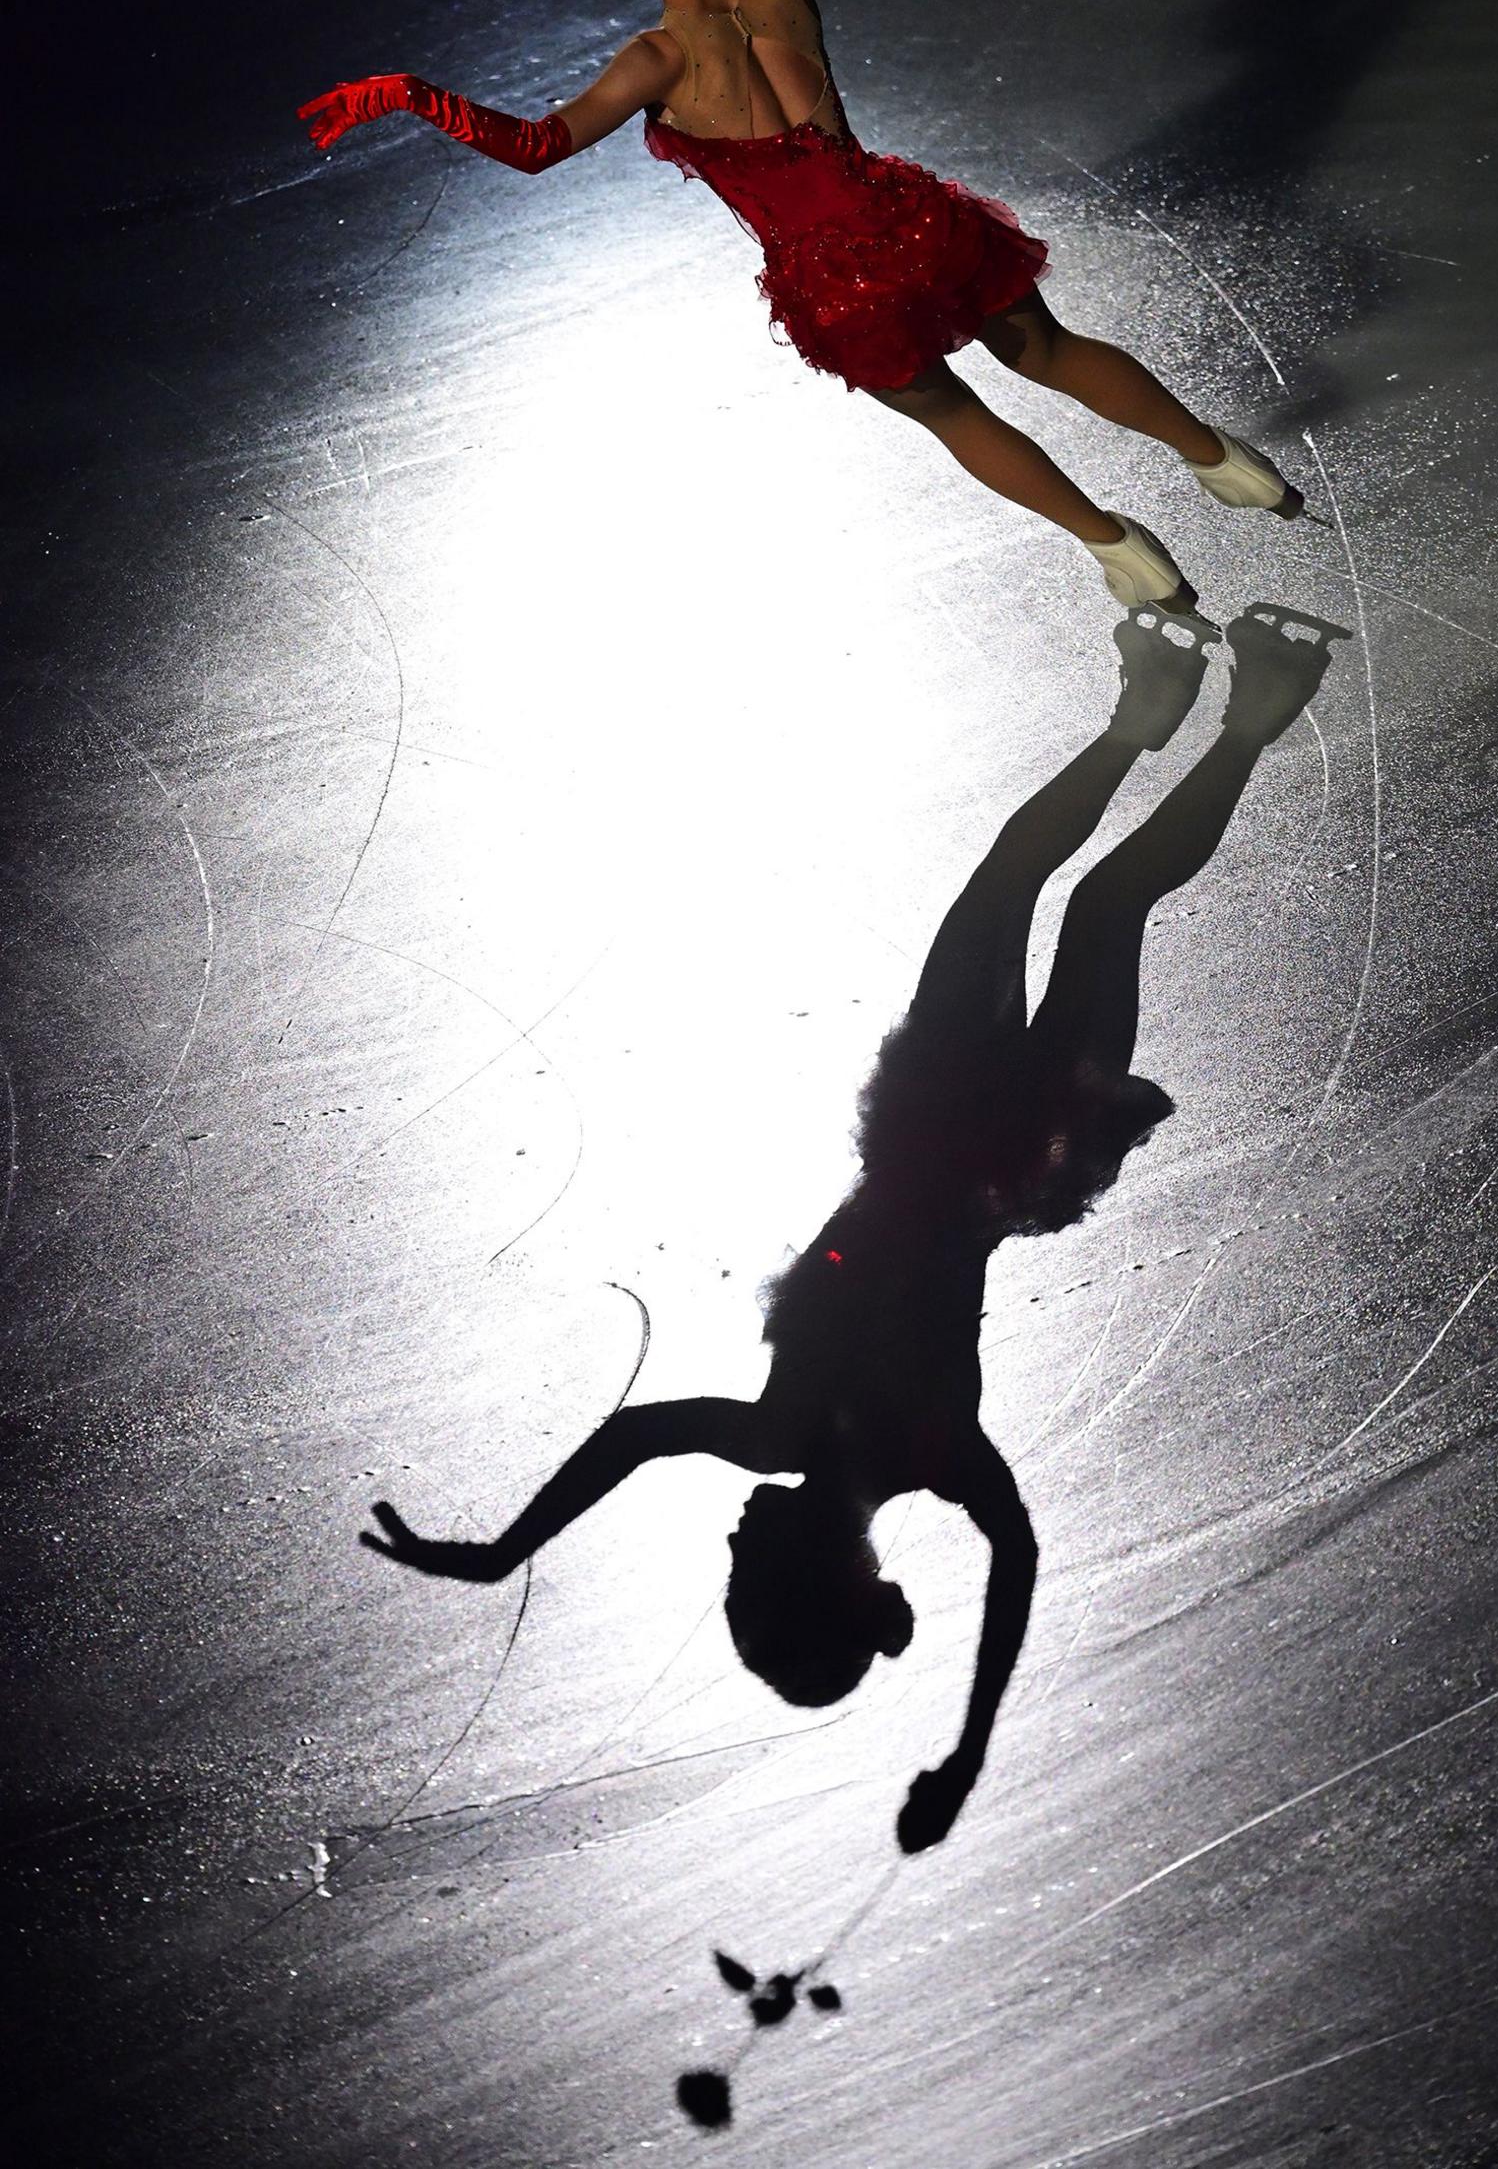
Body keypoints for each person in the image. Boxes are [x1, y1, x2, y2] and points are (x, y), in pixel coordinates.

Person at [362, 599, 1349, 1848]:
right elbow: (1014, 1557)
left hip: (938, 1117)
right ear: (813, 1576)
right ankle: (1245, 714)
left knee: (1030, 882)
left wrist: (506, 1552)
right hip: (1015, 1147)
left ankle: (1150, 713)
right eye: (741, 1573)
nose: (729, 1545)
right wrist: (970, 1751)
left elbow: (631, 1438)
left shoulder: (783, 1434)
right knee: (1100, 903)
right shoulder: (922, 1450)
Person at [299, 0, 1306, 612]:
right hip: (913, 222)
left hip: (845, 286)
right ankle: (1224, 463)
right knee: (1045, 347)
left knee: (952, 413)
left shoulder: (658, 60)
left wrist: (406, 92)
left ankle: (1119, 549)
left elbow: (533, 150)